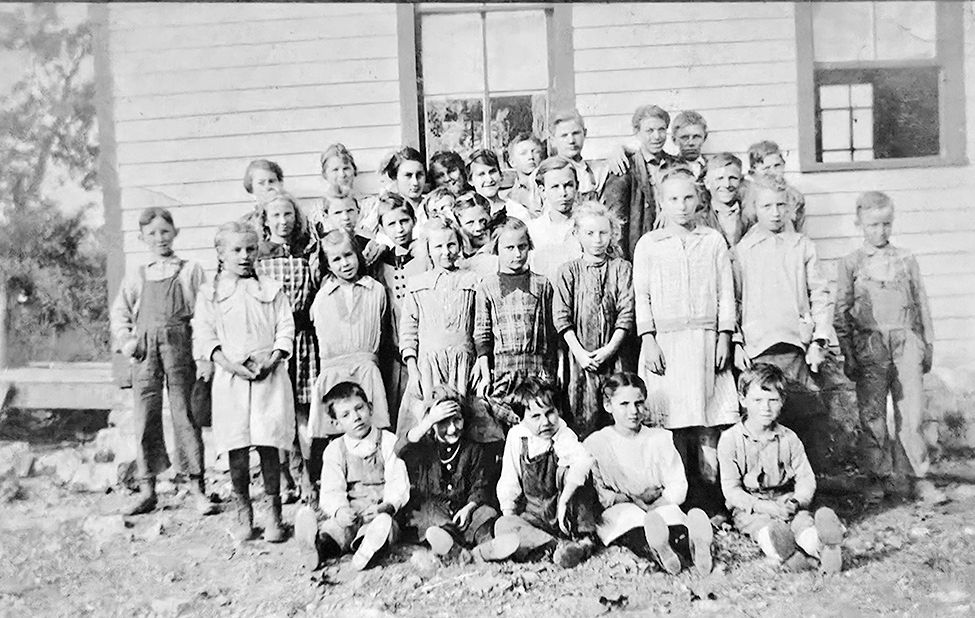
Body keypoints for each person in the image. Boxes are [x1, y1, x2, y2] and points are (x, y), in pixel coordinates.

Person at [633, 169, 738, 513]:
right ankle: (680, 494)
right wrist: (648, 339)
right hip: (667, 342)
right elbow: (642, 295)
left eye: (688, 198)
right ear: (662, 203)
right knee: (673, 419)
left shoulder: (712, 241)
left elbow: (726, 292)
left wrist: (725, 336)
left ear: (699, 200)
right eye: (674, 199)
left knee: (708, 418)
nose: (681, 206)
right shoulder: (650, 244)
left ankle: (711, 497)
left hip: (706, 341)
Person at [834, 192, 946, 505]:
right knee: (872, 416)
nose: (880, 231)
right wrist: (848, 352)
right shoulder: (851, 263)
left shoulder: (906, 259)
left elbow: (921, 302)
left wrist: (927, 344)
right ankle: (876, 478)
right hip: (870, 345)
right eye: (873, 224)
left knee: (911, 413)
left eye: (886, 224)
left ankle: (917, 477)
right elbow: (841, 311)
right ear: (859, 224)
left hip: (906, 342)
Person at [192, 221, 295, 543]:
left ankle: (274, 515)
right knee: (237, 446)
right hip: (231, 380)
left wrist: (273, 358)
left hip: (269, 377)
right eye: (236, 250)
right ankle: (244, 514)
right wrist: (229, 364)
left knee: (269, 444)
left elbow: (285, 328)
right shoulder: (210, 293)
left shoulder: (272, 289)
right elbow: (205, 336)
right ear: (220, 253)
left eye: (250, 249)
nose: (244, 256)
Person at [110, 207, 214, 516]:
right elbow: (120, 312)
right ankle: (147, 489)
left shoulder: (189, 270)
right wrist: (127, 341)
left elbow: (204, 314)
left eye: (165, 231)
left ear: (176, 233)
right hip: (145, 352)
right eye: (152, 233)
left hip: (181, 347)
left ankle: (197, 488)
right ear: (142, 238)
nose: (159, 238)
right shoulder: (137, 273)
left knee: (186, 415)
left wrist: (204, 354)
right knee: (146, 415)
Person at [734, 174, 832, 467]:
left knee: (805, 415)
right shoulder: (742, 250)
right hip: (759, 348)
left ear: (790, 206)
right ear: (754, 208)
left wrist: (819, 340)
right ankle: (767, 487)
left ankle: (807, 490)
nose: (775, 212)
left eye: (780, 205)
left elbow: (820, 294)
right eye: (767, 206)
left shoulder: (801, 245)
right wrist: (738, 342)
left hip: (798, 348)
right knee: (766, 417)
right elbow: (735, 301)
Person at [717, 364, 844, 573]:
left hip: (785, 501)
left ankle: (825, 549)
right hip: (752, 508)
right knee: (767, 533)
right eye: (757, 401)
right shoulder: (730, 439)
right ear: (743, 400)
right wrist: (763, 507)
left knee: (804, 526)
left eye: (773, 400)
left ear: (782, 401)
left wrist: (796, 501)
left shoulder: (789, 438)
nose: (765, 408)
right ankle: (791, 556)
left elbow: (805, 479)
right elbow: (731, 490)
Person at [584, 373, 713, 575]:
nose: (633, 411)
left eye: (639, 403)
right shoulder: (597, 443)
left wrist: (657, 504)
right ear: (608, 406)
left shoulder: (659, 438)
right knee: (631, 523)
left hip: (659, 504)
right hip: (622, 506)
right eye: (624, 404)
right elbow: (599, 491)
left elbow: (677, 483)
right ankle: (664, 553)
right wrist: (634, 500)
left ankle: (696, 545)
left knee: (670, 518)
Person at [294, 382, 410, 570]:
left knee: (384, 527)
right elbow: (332, 489)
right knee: (336, 530)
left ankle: (367, 548)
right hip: (352, 512)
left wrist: (387, 506)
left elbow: (398, 481)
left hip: (382, 511)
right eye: (346, 415)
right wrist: (340, 510)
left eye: (359, 408)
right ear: (336, 423)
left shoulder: (389, 441)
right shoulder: (335, 450)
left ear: (370, 408)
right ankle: (319, 548)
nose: (356, 417)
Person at [307, 229, 389, 490]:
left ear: (358, 254)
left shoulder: (376, 290)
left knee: (369, 428)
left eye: (348, 255)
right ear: (327, 265)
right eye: (336, 260)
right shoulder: (322, 297)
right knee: (337, 433)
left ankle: (373, 485)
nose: (345, 264)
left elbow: (383, 329)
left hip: (366, 368)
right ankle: (336, 488)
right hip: (334, 370)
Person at [396, 387, 519, 561]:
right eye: (444, 422)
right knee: (431, 517)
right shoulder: (424, 448)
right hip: (434, 511)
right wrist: (428, 420)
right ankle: (454, 549)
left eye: (457, 420)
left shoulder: (474, 449)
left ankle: (485, 548)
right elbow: (399, 450)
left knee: (486, 514)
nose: (452, 429)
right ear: (432, 424)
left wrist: (469, 508)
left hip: (465, 509)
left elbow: (480, 485)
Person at [255, 192, 321, 504]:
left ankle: (310, 472)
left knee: (305, 412)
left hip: (304, 340)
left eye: (288, 215)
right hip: (273, 342)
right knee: (277, 412)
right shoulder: (259, 256)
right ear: (265, 221)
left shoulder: (307, 250)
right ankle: (285, 474)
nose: (283, 221)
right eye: (276, 216)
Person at [494, 378, 599, 568]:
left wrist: (565, 501)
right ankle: (556, 547)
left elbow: (584, 461)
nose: (546, 422)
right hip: (536, 517)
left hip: (566, 515)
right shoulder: (517, 437)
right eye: (535, 417)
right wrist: (510, 518)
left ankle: (584, 542)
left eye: (550, 413)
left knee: (576, 474)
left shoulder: (562, 433)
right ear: (521, 419)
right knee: (503, 526)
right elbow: (509, 481)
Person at [553, 202, 635, 439]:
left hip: (615, 356)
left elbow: (626, 313)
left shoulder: (621, 268)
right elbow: (561, 317)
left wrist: (610, 349)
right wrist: (579, 353)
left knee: (617, 416)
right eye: (589, 233)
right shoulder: (568, 271)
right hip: (580, 360)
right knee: (583, 420)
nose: (597, 239)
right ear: (577, 234)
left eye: (603, 233)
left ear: (612, 234)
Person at [398, 217, 480, 438]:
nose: (446, 251)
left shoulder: (473, 281)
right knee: (430, 420)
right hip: (428, 367)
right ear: (427, 248)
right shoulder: (416, 284)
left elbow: (481, 325)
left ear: (460, 244)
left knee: (464, 421)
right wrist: (413, 369)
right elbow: (408, 332)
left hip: (464, 364)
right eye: (438, 246)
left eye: (451, 244)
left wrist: (481, 361)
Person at [473, 217, 558, 401]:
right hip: (503, 374)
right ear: (497, 249)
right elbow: (482, 335)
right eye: (509, 248)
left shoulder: (543, 284)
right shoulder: (487, 286)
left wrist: (556, 369)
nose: (517, 254)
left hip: (539, 372)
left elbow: (552, 334)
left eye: (522, 246)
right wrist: (486, 376)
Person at [372, 193, 429, 426]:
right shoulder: (378, 263)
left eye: (404, 221)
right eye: (391, 224)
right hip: (392, 353)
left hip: (422, 351)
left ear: (414, 221)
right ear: (383, 228)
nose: (399, 229)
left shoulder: (424, 256)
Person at [601, 104, 678, 259]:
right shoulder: (625, 168)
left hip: (673, 248)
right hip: (639, 251)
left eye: (662, 129)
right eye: (649, 131)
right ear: (637, 132)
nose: (657, 136)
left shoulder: (676, 165)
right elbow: (615, 221)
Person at [526, 156, 583, 284]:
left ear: (577, 186)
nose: (563, 193)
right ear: (542, 191)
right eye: (555, 187)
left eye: (568, 185)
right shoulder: (532, 230)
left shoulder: (587, 226)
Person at [741, 141, 805, 232]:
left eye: (777, 165)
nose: (773, 172)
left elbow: (800, 230)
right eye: (766, 168)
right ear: (754, 170)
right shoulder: (746, 196)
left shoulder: (795, 197)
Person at [310, 194, 384, 268]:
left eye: (350, 210)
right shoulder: (321, 247)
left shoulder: (368, 244)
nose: (345, 217)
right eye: (337, 212)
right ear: (326, 215)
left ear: (358, 211)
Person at [548, 109, 606, 201]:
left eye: (576, 133)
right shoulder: (544, 175)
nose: (571, 140)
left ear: (585, 133)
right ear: (552, 141)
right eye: (564, 135)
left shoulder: (598, 173)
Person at [467, 148, 532, 224]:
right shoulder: (467, 215)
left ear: (501, 175)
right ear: (470, 180)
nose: (489, 179)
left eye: (492, 172)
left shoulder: (516, 211)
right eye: (481, 174)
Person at [700, 153, 749, 247]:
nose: (727, 184)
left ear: (741, 181)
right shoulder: (698, 220)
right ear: (707, 183)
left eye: (733, 178)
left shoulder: (752, 217)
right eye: (719, 178)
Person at [453, 192, 498, 278]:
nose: (479, 228)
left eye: (482, 220)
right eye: (470, 223)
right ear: (459, 226)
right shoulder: (456, 256)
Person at [503, 133, 544, 218]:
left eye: (535, 152)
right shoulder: (510, 197)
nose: (530, 157)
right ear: (512, 162)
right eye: (523, 153)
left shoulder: (552, 187)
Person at [240, 159, 285, 234]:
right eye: (261, 183)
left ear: (280, 183)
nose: (267, 187)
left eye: (271, 181)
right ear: (251, 188)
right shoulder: (246, 224)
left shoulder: (294, 216)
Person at [671, 110, 710, 182]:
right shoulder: (668, 169)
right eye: (685, 137)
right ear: (674, 140)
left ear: (704, 138)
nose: (691, 143)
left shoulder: (712, 167)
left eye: (696, 137)